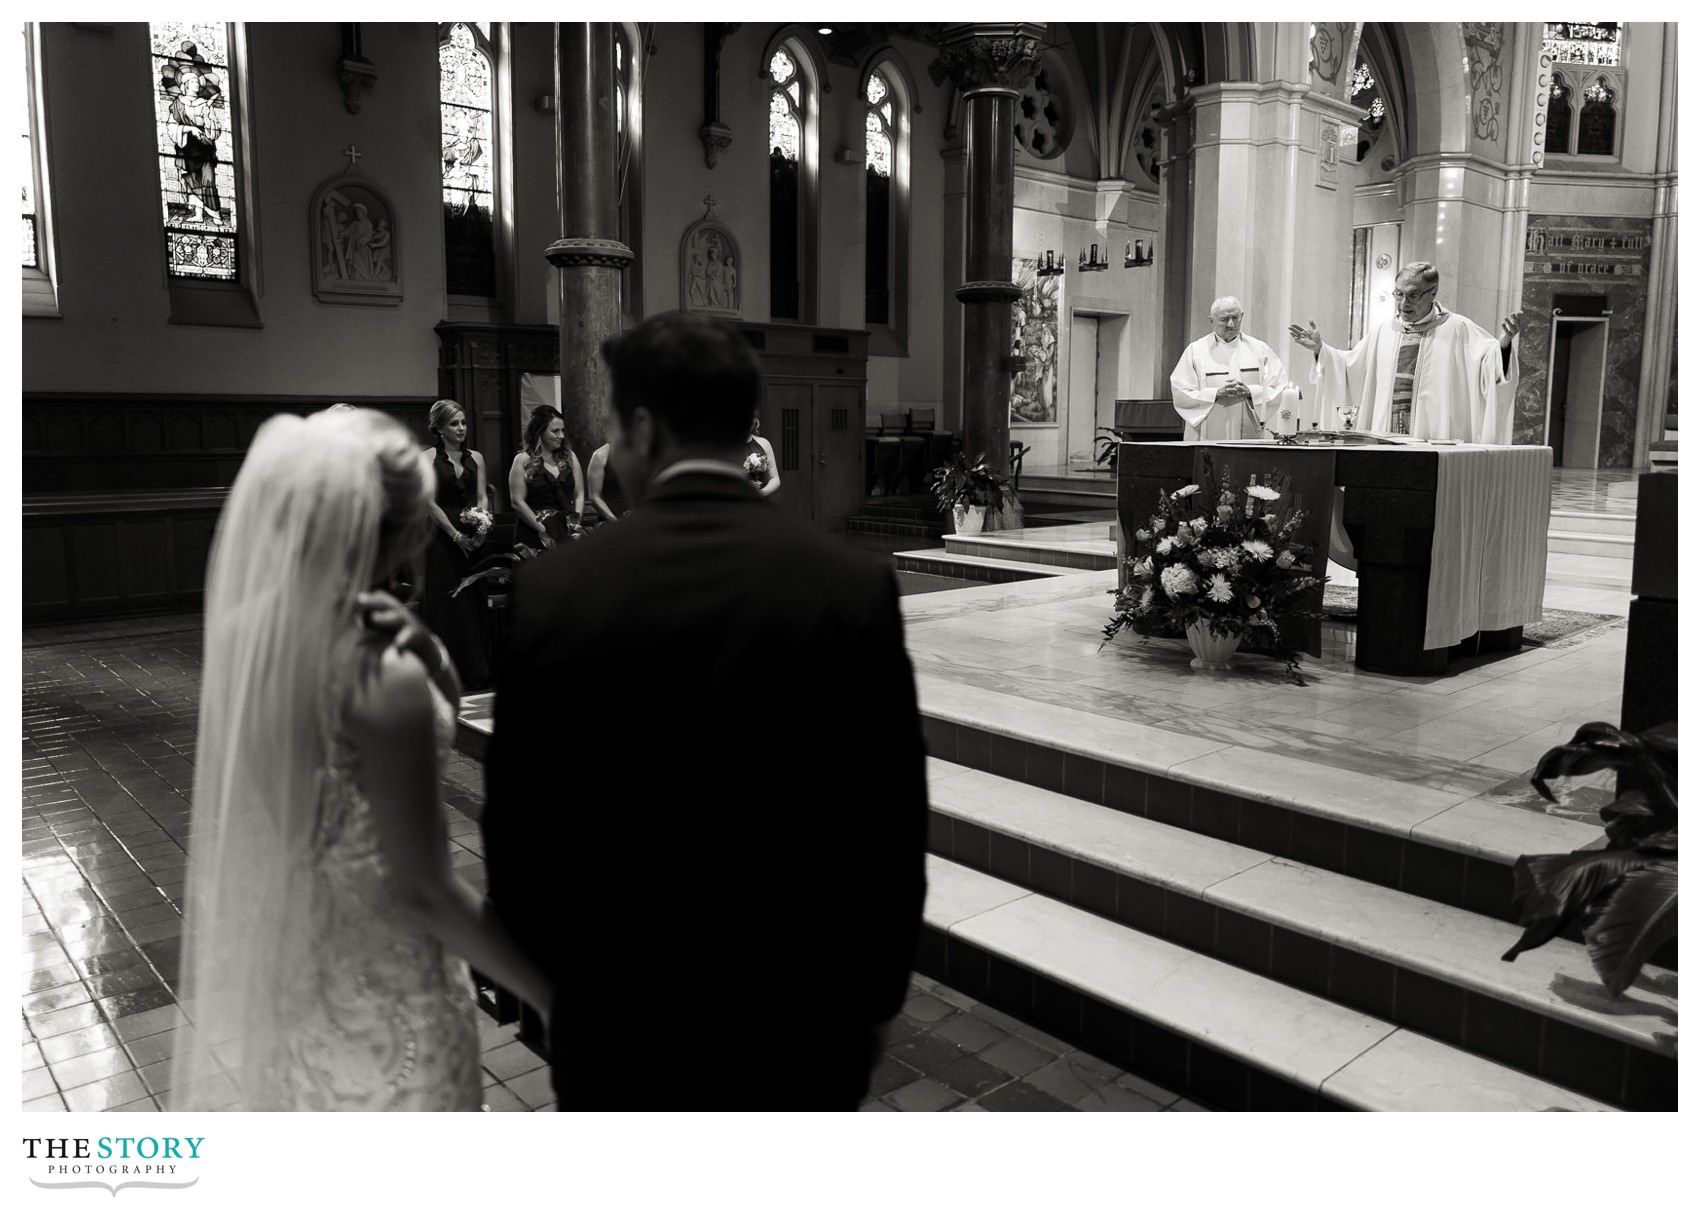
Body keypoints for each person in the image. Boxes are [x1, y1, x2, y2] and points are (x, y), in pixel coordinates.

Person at [482, 311, 929, 1111]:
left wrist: (575, 1001)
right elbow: (889, 822)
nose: (611, 448)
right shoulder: (850, 586)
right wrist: (865, 1010)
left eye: (615, 425)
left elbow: (521, 840)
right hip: (803, 1030)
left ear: (645, 429)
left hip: (625, 1032)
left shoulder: (555, 591)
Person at [169, 408, 549, 1110]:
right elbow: (425, 888)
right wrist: (550, 992)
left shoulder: (248, 632)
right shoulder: (381, 676)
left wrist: (429, 652)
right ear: (405, 531)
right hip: (390, 989)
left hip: (301, 961)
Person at [1288, 261, 1522, 442]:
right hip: (1385, 439)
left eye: (1412, 295)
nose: (1403, 303)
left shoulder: (1458, 328)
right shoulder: (1384, 331)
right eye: (1399, 294)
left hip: (1436, 440)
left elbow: (1489, 369)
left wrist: (1503, 346)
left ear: (1433, 292)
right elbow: (1350, 368)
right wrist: (1321, 350)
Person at [418, 399, 491, 690]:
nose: (461, 428)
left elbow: (482, 496)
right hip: (440, 537)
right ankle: (443, 672)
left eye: (463, 423)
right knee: (447, 603)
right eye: (454, 424)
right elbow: (427, 502)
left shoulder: (477, 458)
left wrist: (483, 527)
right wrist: (454, 535)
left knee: (473, 602)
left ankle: (476, 671)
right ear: (439, 428)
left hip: (473, 532)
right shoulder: (426, 458)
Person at [1170, 296, 1290, 440]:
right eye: (1224, 319)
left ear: (1242, 317)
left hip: (1250, 434)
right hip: (1205, 437)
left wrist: (1251, 392)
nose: (1231, 324)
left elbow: (1279, 387)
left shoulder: (1259, 350)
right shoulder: (1196, 351)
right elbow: (1181, 392)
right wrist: (1215, 394)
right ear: (1211, 321)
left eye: (1235, 318)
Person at [508, 404, 584, 549]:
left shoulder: (570, 457)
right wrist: (542, 529)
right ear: (539, 432)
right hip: (534, 530)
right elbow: (517, 501)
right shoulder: (523, 460)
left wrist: (575, 524)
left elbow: (579, 494)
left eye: (562, 431)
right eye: (555, 431)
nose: (561, 436)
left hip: (566, 528)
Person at [584, 441, 629, 526]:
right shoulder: (600, 456)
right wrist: (616, 522)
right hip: (612, 518)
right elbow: (594, 497)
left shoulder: (642, 452)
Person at [743, 415, 781, 496]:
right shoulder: (731, 446)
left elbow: (775, 479)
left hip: (760, 501)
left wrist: (760, 493)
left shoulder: (764, 443)